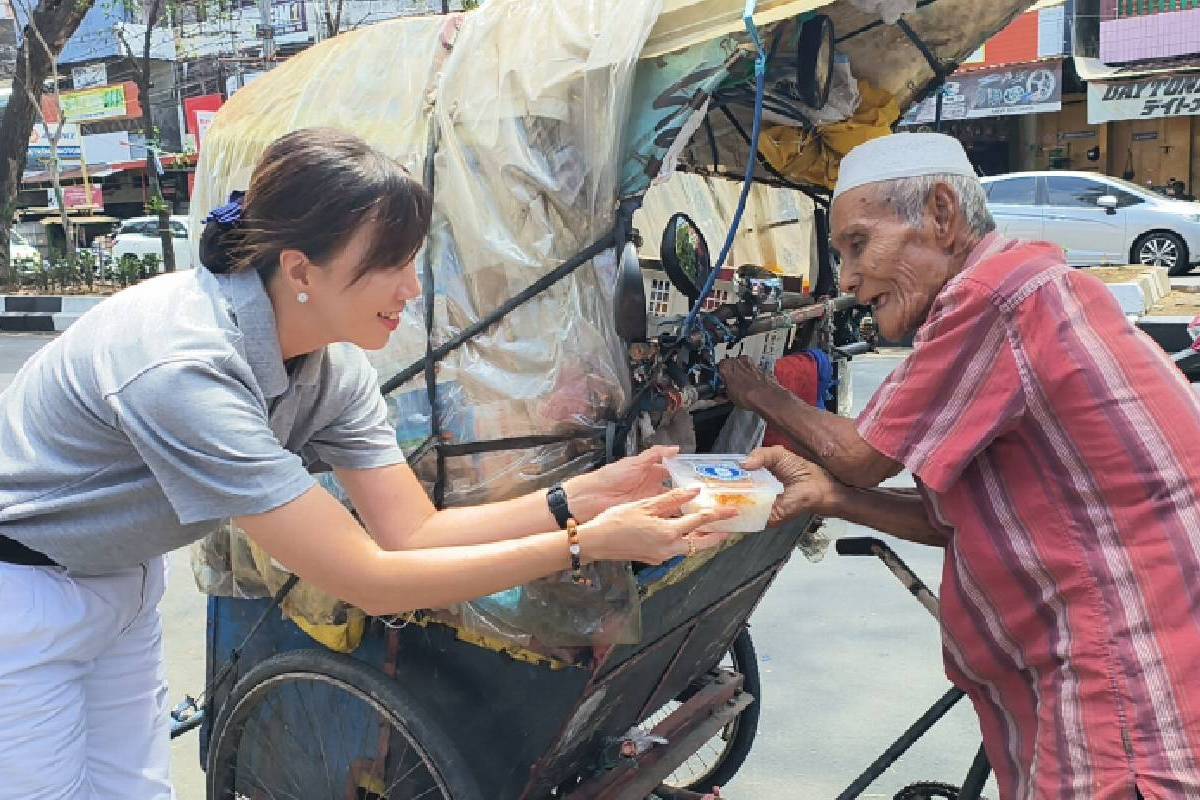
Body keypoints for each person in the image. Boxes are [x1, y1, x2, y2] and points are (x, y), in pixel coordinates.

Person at [0, 128, 734, 800]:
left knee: (133, 791)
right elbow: (368, 580)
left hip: (123, 581)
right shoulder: (183, 367)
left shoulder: (329, 369)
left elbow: (412, 532)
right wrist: (581, 546)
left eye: (412, 261)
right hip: (22, 592)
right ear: (301, 270)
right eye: (388, 265)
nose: (410, 289)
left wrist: (577, 499)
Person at [721, 132, 1200, 800]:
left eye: (858, 244)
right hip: (1107, 681)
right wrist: (829, 498)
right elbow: (970, 521)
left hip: (1120, 696)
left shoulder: (996, 296)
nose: (850, 280)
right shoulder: (1031, 287)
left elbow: (860, 456)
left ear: (941, 214)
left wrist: (758, 388)